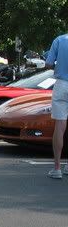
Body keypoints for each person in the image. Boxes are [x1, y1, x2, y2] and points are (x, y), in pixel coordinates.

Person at [45, 31, 68, 179]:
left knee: (60, 126)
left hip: (61, 84)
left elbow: (48, 64)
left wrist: (58, 69)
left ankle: (57, 168)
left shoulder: (60, 40)